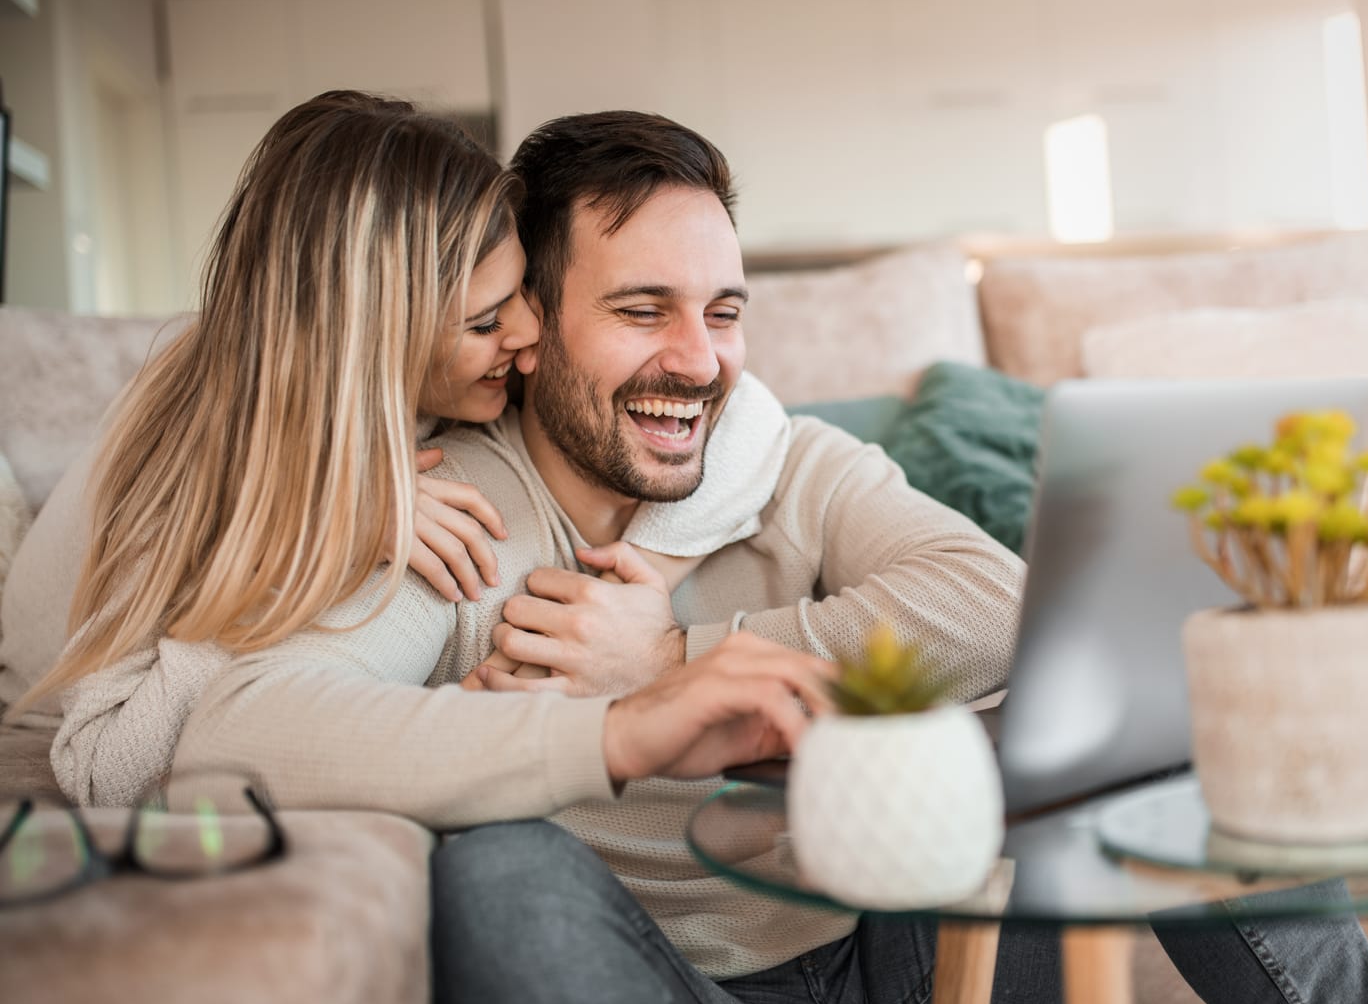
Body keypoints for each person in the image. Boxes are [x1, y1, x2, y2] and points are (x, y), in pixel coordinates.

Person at [170, 110, 1368, 1004]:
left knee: (1123, 702)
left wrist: (678, 665)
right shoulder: (454, 515)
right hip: (683, 997)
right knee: (495, 869)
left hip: (915, 963)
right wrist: (619, 730)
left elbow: (999, 604)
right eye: (643, 308)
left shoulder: (786, 458)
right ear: (535, 329)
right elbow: (237, 734)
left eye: (722, 310)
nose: (698, 360)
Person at [0, 90, 817, 807]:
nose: (529, 337)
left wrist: (637, 605)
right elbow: (106, 768)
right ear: (376, 336)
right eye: (485, 323)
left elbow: (749, 419)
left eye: (522, 298)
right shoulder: (197, 433)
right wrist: (323, 522)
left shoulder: (423, 402)